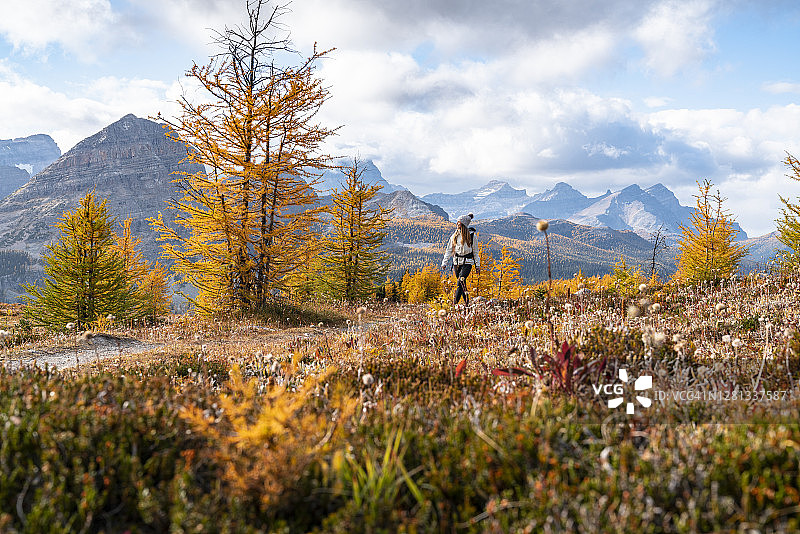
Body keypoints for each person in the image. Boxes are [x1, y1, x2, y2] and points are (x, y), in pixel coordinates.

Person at [441, 213, 480, 306]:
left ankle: (454, 304)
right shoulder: (454, 236)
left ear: (463, 224)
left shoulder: (472, 236)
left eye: (459, 223)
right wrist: (444, 262)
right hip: (456, 262)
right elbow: (449, 250)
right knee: (462, 284)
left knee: (460, 281)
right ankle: (467, 303)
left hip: (468, 262)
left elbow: (475, 252)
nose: (457, 224)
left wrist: (477, 265)